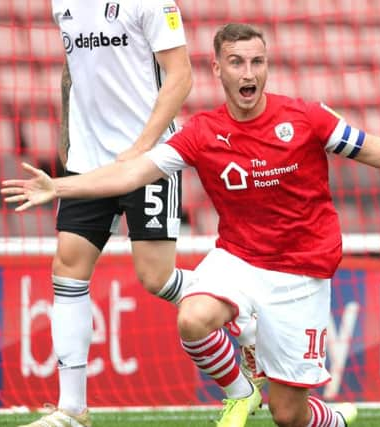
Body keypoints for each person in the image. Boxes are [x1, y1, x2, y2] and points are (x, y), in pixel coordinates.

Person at [3, 23, 380, 427]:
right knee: (192, 317)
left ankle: (327, 418)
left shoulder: (306, 117)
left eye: (258, 62)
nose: (250, 72)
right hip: (238, 260)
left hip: (301, 274)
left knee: (291, 415)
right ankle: (241, 392)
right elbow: (133, 171)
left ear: (267, 67)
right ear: (218, 69)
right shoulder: (202, 132)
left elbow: (378, 151)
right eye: (238, 62)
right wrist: (60, 186)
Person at [16, 2, 256, 427]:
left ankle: (245, 312)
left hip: (152, 157)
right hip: (89, 161)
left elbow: (181, 77)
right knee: (68, 267)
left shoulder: (151, 3)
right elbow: (73, 73)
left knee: (154, 276)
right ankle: (72, 410)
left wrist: (142, 148)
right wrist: (68, 143)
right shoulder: (62, 3)